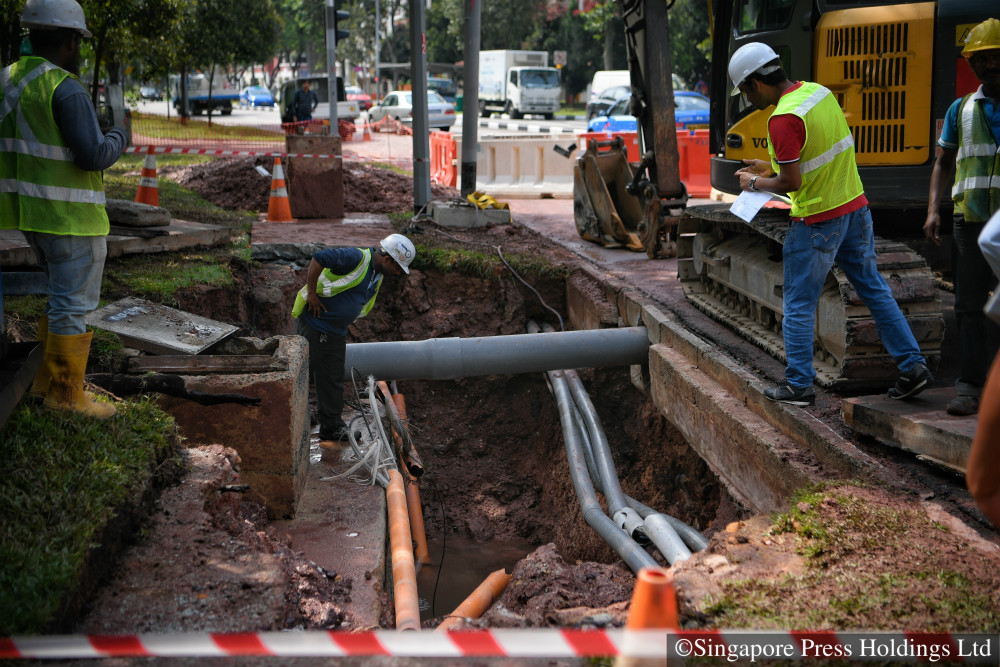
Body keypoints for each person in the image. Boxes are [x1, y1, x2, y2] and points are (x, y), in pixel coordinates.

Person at [729, 42, 932, 406]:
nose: (747, 99)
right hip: (854, 209)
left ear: (754, 83)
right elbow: (814, 157)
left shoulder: (782, 119)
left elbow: (792, 183)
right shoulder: (817, 93)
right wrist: (769, 165)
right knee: (874, 290)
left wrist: (754, 183)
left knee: (799, 304)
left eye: (745, 91)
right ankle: (912, 366)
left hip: (817, 221)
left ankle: (798, 386)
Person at [1, 0, 127, 418]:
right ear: (72, 40)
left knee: (60, 299)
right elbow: (92, 155)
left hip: (31, 218)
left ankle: (45, 385)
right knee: (72, 305)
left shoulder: (8, 80)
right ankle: (66, 398)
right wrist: (118, 137)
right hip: (72, 219)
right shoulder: (65, 87)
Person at [923, 18, 1000, 416]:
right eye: (980, 59)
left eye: (994, 57)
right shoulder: (961, 110)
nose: (988, 65)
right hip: (970, 221)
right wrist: (934, 209)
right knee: (968, 306)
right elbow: (943, 162)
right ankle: (970, 388)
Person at [291, 234, 415, 441]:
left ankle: (331, 428)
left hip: (335, 332)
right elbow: (319, 258)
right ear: (387, 259)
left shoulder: (377, 275)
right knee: (301, 376)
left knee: (332, 378)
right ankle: (289, 425)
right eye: (397, 268)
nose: (398, 274)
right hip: (315, 326)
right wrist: (312, 294)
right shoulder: (356, 258)